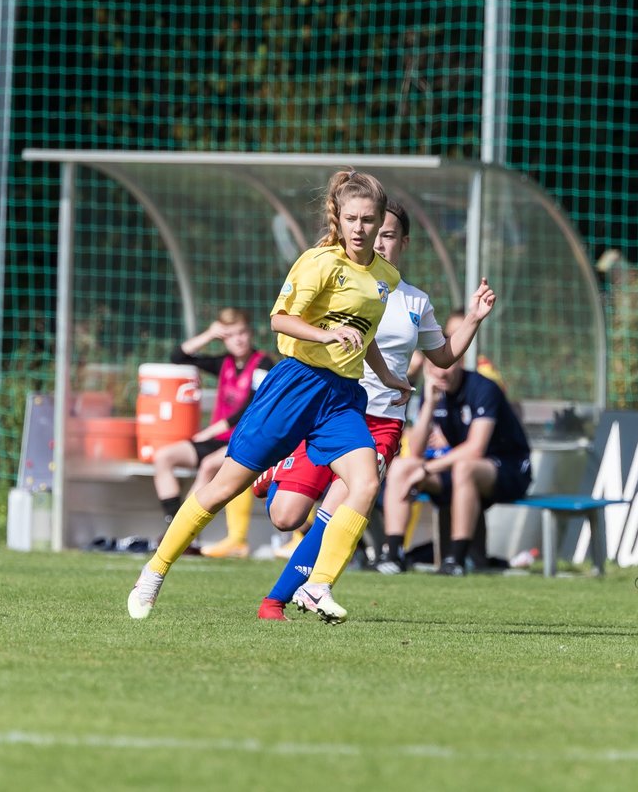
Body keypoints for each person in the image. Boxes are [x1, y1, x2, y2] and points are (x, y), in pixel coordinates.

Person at [127, 168, 412, 623]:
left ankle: (317, 586)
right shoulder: (319, 262)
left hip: (341, 396)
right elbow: (280, 321)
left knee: (366, 482)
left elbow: (366, 334)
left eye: (369, 220)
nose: (360, 229)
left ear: (381, 222)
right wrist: (326, 333)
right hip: (295, 385)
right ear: (339, 218)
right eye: (352, 219)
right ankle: (154, 572)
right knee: (223, 486)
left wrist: (389, 376)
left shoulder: (384, 277)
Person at [253, 203, 497, 620]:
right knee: (285, 516)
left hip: (381, 421)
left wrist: (473, 318)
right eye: (371, 230)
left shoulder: (415, 301)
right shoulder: (338, 276)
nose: (377, 240)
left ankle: (277, 600)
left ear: (403, 242)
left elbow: (442, 356)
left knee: (337, 513)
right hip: (326, 410)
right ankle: (277, 469)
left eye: (388, 234)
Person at [380, 330, 532, 576]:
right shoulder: (432, 392)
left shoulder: (483, 388)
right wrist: (429, 404)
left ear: (459, 361)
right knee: (401, 467)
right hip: (459, 471)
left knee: (464, 468)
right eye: (436, 365)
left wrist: (427, 469)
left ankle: (456, 560)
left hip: (508, 468)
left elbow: (475, 448)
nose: (442, 371)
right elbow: (416, 451)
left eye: (448, 364)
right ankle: (393, 555)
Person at [150, 308, 273, 558]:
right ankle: (176, 525)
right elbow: (178, 357)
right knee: (163, 457)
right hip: (217, 440)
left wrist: (210, 431)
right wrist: (208, 334)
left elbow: (251, 407)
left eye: (242, 333)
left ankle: (185, 533)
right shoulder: (224, 363)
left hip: (242, 441)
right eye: (230, 335)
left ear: (250, 334)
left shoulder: (263, 363)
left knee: (208, 465)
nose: (238, 339)